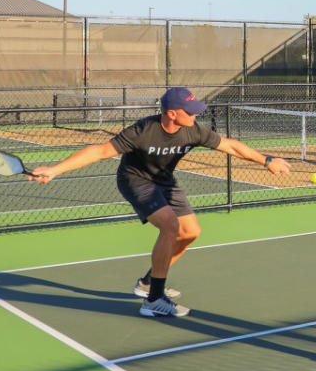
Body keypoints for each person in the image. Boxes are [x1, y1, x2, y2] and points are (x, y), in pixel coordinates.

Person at [27, 87, 291, 317]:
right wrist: (54, 170)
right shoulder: (143, 131)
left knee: (190, 232)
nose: (196, 114)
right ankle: (154, 299)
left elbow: (231, 146)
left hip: (164, 181)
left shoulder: (194, 131)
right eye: (191, 111)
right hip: (136, 180)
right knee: (169, 226)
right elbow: (100, 151)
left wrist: (267, 161)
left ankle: (147, 283)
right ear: (172, 113)